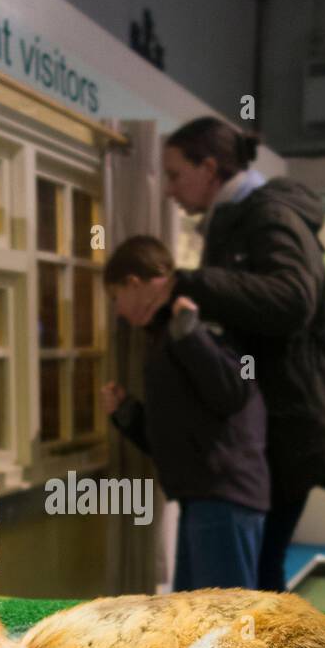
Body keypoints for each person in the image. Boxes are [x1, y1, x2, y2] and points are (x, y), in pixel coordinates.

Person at [125, 116, 325, 591]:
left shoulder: (267, 215)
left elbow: (293, 298)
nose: (168, 190)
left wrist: (190, 282)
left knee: (255, 587)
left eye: (174, 175)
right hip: (272, 432)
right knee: (254, 581)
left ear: (209, 169)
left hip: (287, 431)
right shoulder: (240, 220)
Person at [101, 235, 269, 591]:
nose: (118, 310)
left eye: (117, 298)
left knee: (223, 623)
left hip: (225, 495)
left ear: (134, 283)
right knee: (196, 619)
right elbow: (178, 430)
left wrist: (191, 333)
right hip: (204, 496)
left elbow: (234, 390)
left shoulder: (201, 311)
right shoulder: (164, 333)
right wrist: (127, 413)